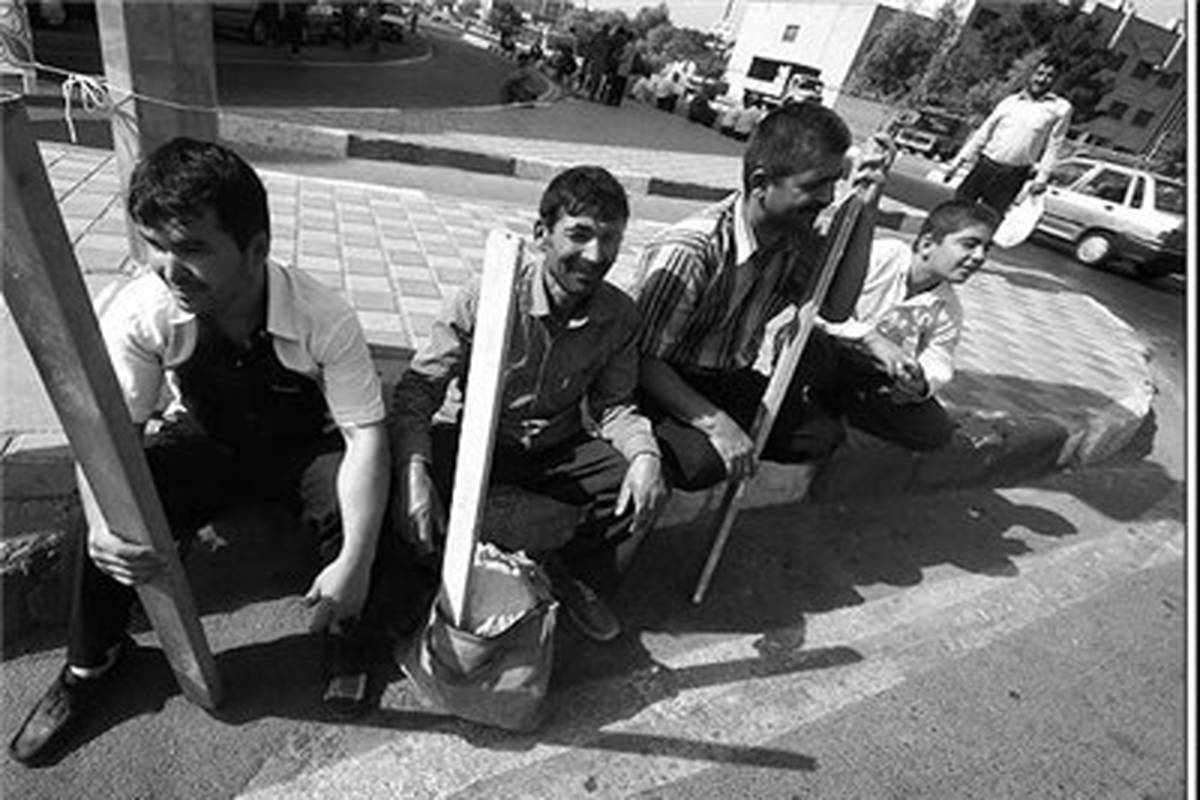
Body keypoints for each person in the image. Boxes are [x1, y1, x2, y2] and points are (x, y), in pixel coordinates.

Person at [8, 139, 392, 766]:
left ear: (256, 248)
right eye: (154, 245)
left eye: (191, 248)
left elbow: (365, 436)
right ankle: (91, 663)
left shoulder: (325, 316)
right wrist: (104, 524)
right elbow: (110, 436)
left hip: (297, 444)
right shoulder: (145, 310)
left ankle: (351, 633)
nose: (169, 268)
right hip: (205, 441)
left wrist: (356, 560)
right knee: (102, 519)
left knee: (357, 507)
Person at [391, 166, 666, 644]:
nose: (596, 255)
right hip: (476, 439)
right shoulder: (487, 296)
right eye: (579, 235)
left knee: (640, 486)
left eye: (609, 240)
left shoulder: (620, 315)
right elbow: (418, 390)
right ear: (541, 234)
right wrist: (413, 470)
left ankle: (575, 575)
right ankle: (407, 597)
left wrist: (645, 455)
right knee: (399, 493)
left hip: (555, 446)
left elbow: (615, 405)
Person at [632, 102, 894, 491]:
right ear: (761, 183)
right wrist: (717, 425)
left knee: (821, 437)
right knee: (703, 464)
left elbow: (837, 308)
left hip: (727, 376)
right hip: (665, 382)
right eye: (814, 185)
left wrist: (866, 212)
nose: (827, 197)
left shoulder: (793, 238)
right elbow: (642, 359)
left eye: (834, 182)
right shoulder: (692, 249)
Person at [813, 200, 1000, 451]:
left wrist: (919, 384)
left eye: (986, 249)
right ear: (927, 244)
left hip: (865, 375)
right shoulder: (882, 256)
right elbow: (817, 307)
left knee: (934, 431)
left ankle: (838, 408)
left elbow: (940, 357)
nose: (979, 257)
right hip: (823, 349)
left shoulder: (948, 307)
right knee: (817, 355)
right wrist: (869, 337)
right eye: (969, 244)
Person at [946, 56, 1073, 217]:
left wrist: (1041, 178)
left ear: (1055, 81)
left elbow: (1054, 146)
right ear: (1031, 74)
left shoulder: (1060, 108)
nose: (1042, 79)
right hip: (985, 166)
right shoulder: (1010, 102)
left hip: (1013, 175)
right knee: (956, 212)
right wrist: (957, 163)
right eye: (1039, 73)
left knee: (989, 219)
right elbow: (983, 133)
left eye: (1049, 76)